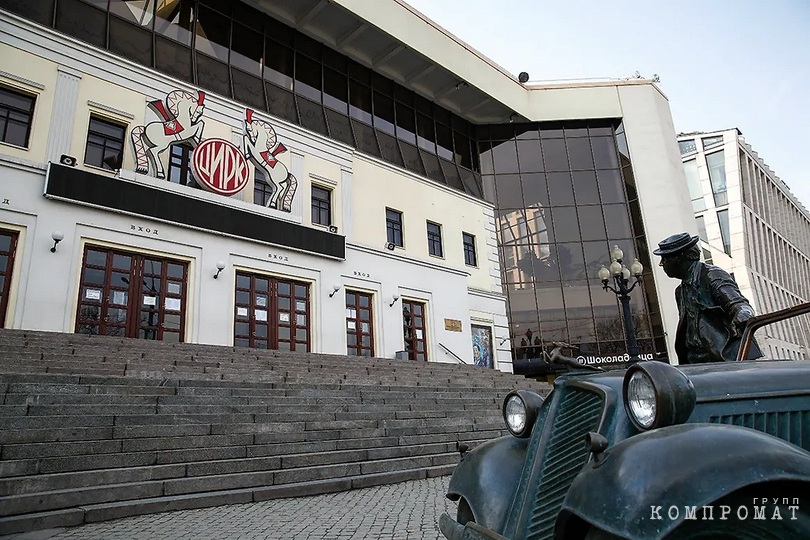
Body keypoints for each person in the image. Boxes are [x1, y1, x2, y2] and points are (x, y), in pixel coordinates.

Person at [654, 232, 763, 364]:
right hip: (694, 360)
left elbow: (737, 303)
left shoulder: (712, 275)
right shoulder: (680, 291)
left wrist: (743, 314)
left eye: (666, 258)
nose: (661, 264)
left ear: (683, 257)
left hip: (723, 357)